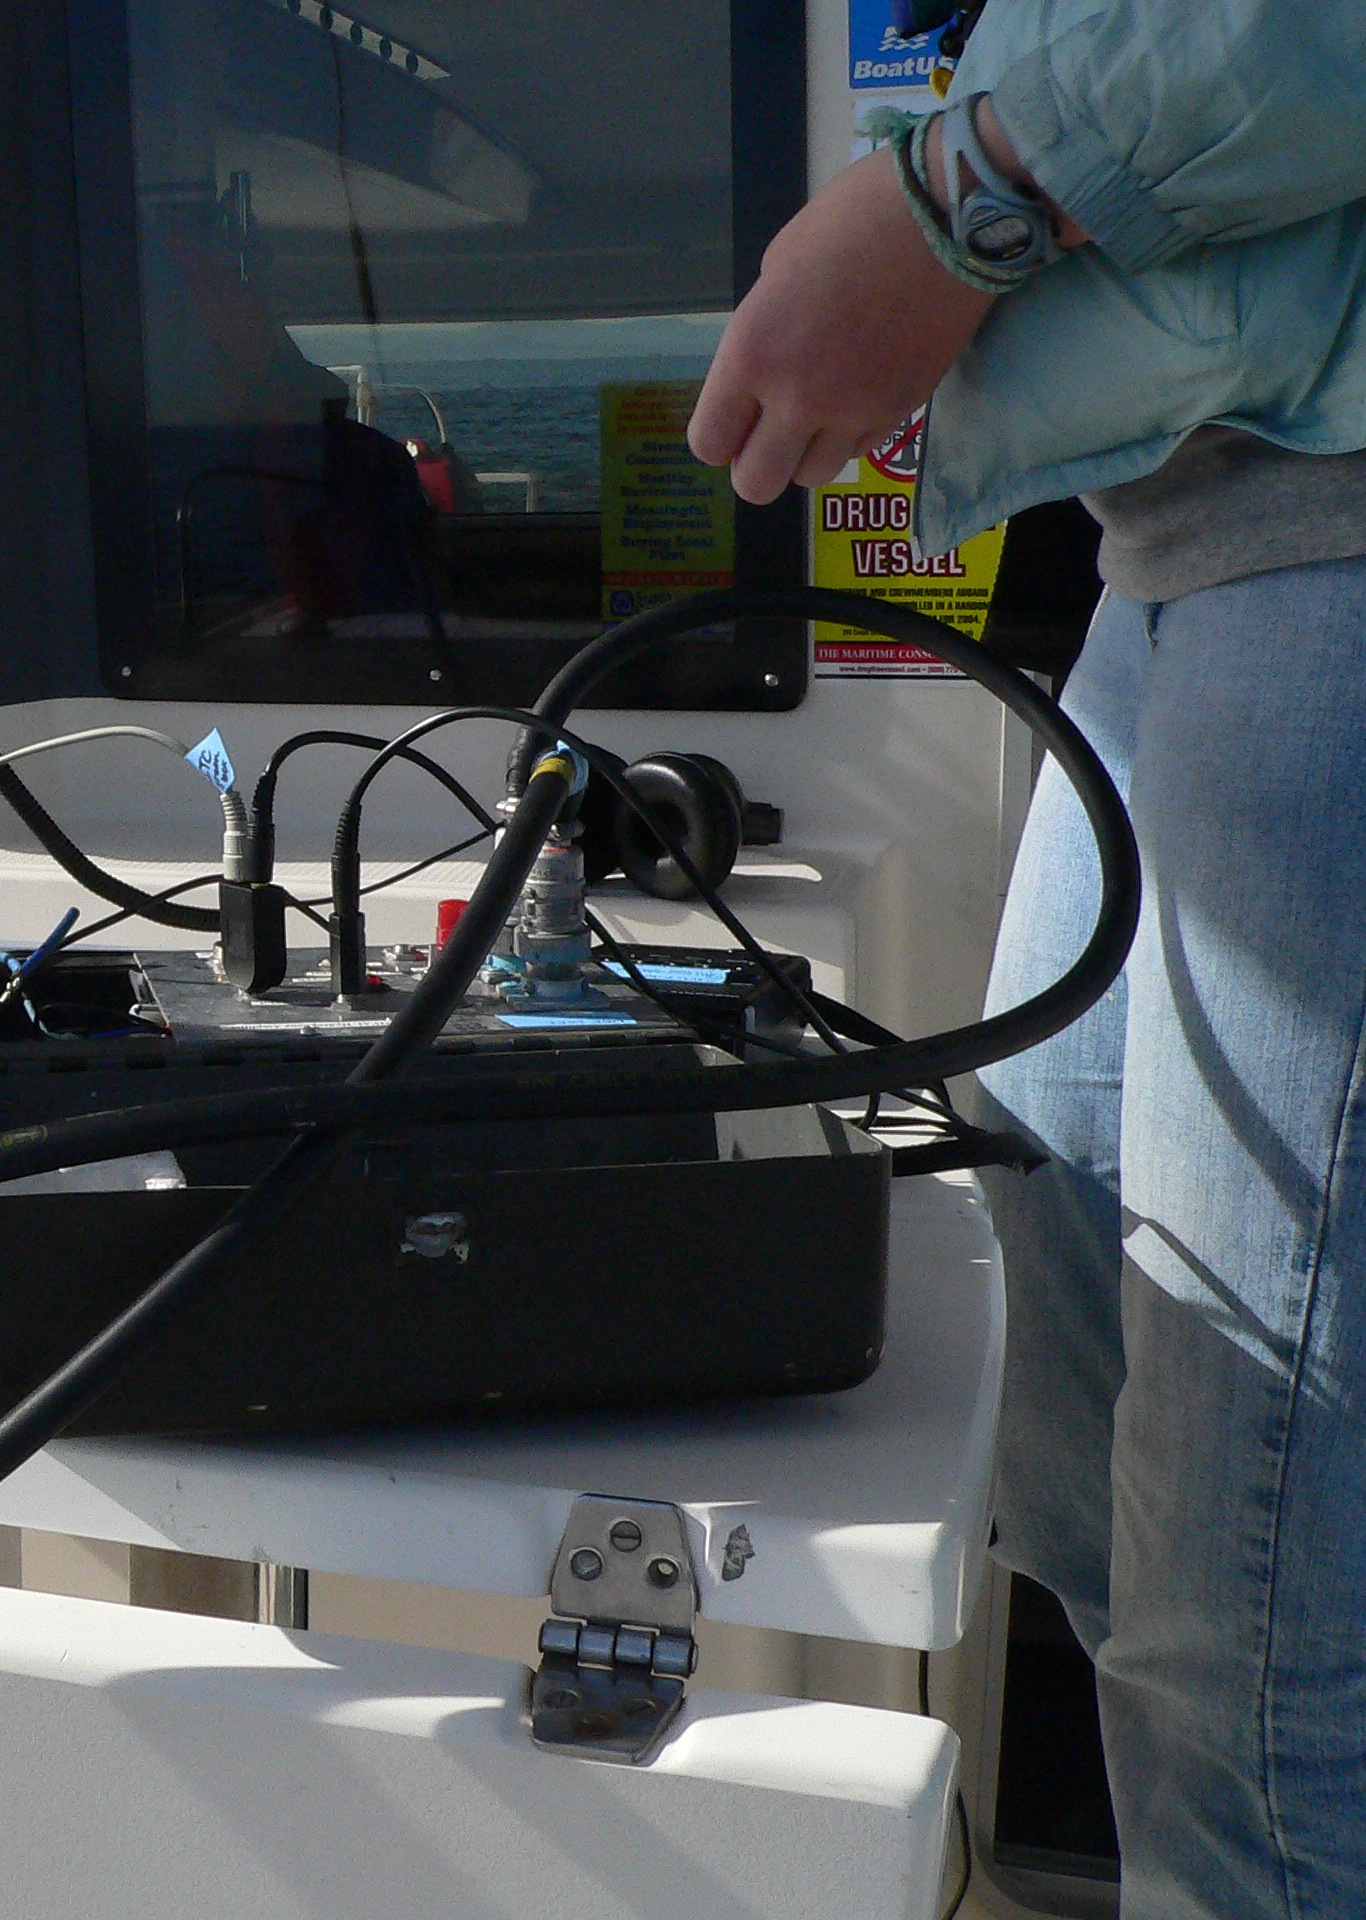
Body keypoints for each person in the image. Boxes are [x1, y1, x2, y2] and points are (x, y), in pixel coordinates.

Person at [688, 9, 1366, 1915]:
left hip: (1331, 527)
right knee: (1078, 1458)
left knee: (1251, 1627)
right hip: (1171, 542)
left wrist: (958, 202)